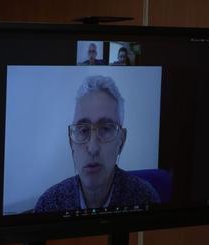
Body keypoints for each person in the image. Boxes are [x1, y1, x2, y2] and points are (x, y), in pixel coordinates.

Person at [34, 75, 159, 212]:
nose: (93, 148)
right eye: (83, 130)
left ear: (121, 141)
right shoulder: (48, 205)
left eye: (106, 129)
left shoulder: (145, 198)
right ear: (71, 144)